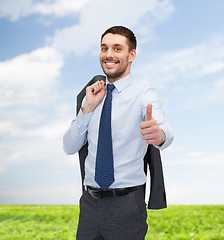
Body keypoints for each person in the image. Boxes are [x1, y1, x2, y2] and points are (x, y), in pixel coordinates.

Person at [63, 26, 173, 240]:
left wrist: (158, 134)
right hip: (89, 204)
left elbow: (165, 131)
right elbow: (69, 146)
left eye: (117, 48)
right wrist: (87, 110)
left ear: (131, 55)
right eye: (104, 48)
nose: (109, 55)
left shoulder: (144, 94)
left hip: (126, 205)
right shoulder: (92, 94)